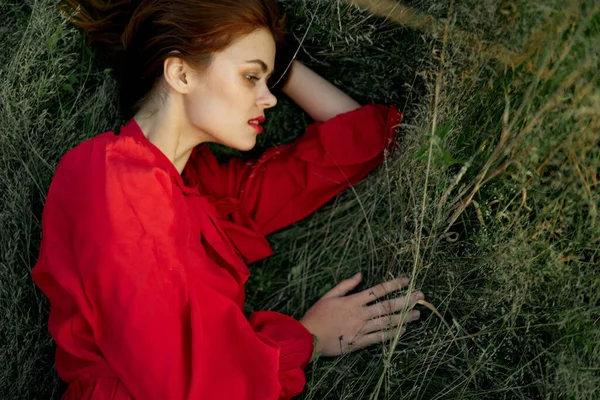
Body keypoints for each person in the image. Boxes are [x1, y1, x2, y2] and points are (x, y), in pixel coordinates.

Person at [31, 0, 426, 399]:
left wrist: (279, 67)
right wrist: (306, 338)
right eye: (250, 76)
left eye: (268, 81)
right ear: (181, 73)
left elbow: (363, 142)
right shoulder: (112, 177)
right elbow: (187, 385)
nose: (269, 98)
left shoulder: (202, 189)